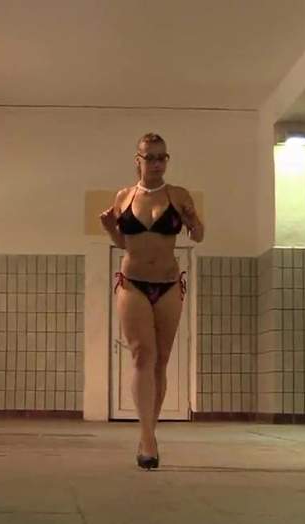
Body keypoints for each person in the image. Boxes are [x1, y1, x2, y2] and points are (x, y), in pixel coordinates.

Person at [99, 133, 205, 470]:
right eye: (151, 157)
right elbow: (123, 242)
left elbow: (199, 235)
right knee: (142, 355)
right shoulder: (124, 196)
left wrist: (193, 221)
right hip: (132, 283)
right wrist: (109, 228)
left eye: (162, 157)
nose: (157, 164)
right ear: (138, 160)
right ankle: (147, 439)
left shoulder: (178, 194)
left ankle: (150, 431)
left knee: (160, 361)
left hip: (169, 284)